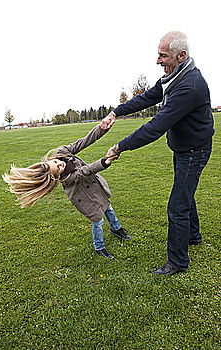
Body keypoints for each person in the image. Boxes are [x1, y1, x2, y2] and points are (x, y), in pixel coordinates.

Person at [101, 31, 214, 275]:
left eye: (163, 55)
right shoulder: (172, 78)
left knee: (177, 206)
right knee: (185, 194)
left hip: (195, 150)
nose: (158, 60)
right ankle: (193, 236)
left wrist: (121, 146)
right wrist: (116, 112)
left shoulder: (188, 86)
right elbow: (149, 97)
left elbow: (156, 126)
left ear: (181, 55)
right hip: (184, 147)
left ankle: (177, 262)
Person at [3, 123, 131, 260]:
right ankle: (99, 247)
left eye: (56, 163)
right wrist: (105, 161)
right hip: (84, 198)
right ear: (57, 176)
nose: (60, 164)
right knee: (98, 221)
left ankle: (116, 229)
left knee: (108, 208)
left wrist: (101, 128)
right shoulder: (67, 178)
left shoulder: (60, 153)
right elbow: (86, 171)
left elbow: (83, 142)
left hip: (93, 187)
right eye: (58, 169)